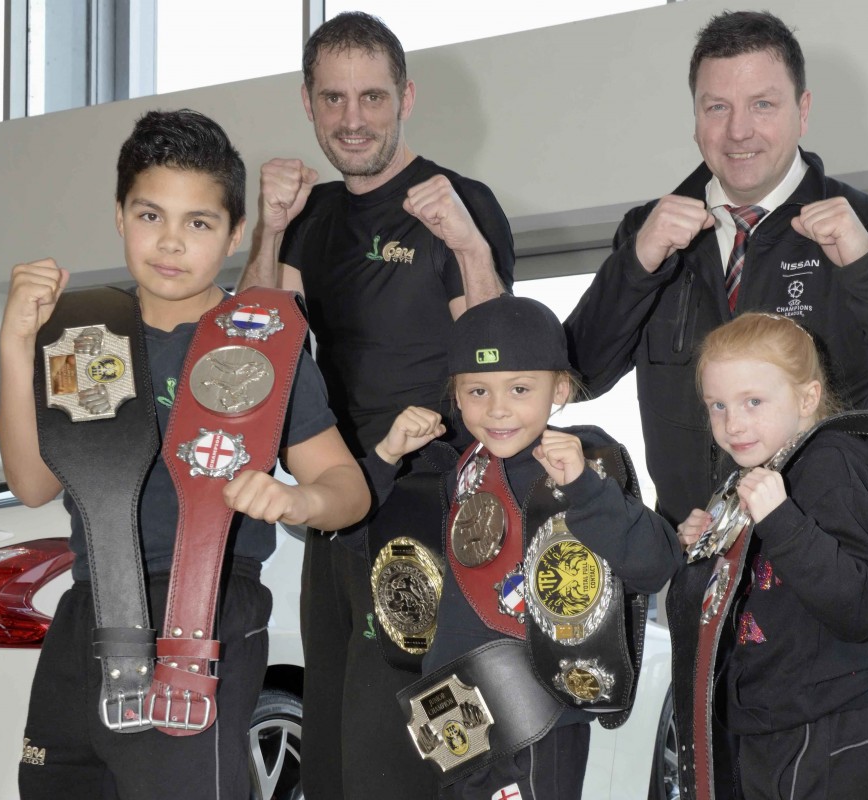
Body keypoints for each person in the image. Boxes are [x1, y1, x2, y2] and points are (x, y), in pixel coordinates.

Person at [563, 11, 868, 797]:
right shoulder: (652, 233)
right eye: (717, 107)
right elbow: (577, 371)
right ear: (694, 116)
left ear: (804, 110)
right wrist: (639, 262)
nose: (739, 131)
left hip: (818, 612)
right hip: (700, 596)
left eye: (763, 104)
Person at [0, 108, 370, 800]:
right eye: (150, 217)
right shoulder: (85, 339)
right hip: (88, 614)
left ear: (233, 234)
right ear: (119, 216)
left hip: (203, 615)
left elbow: (346, 487)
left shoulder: (261, 346)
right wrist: (15, 346)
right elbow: (30, 482)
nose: (170, 243)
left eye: (198, 223)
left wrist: (297, 499)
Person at [236, 11, 515, 798]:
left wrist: (467, 246)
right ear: (308, 103)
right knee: (330, 723)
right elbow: (253, 343)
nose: (353, 119)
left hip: (433, 497)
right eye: (334, 99)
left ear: (406, 97)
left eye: (371, 97)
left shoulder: (460, 202)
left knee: (402, 728)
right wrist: (269, 227)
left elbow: (500, 361)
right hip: (340, 495)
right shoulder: (312, 217)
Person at [360, 295, 680, 799]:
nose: (498, 408)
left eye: (521, 388)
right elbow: (354, 526)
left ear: (560, 389)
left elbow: (656, 564)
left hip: (535, 716)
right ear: (457, 397)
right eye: (478, 391)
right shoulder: (455, 467)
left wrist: (586, 488)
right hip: (450, 715)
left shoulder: (585, 459)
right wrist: (386, 457)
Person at [678, 312, 868, 799]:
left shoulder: (829, 465)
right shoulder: (763, 473)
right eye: (717, 405)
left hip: (826, 736)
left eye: (752, 401)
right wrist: (708, 549)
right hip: (771, 728)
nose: (732, 422)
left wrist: (781, 520)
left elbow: (864, 607)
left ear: (807, 398)